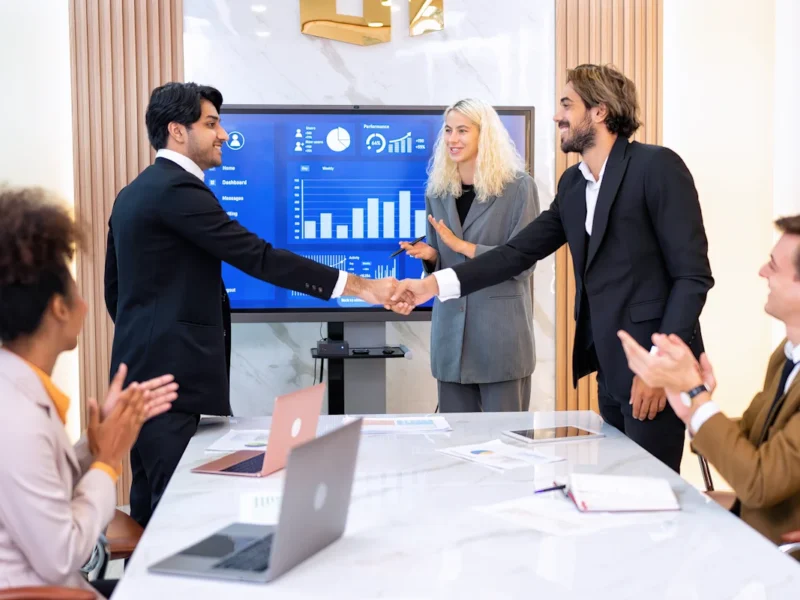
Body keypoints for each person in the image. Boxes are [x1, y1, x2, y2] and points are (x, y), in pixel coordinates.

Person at [388, 64, 714, 472]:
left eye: (566, 105)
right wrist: (432, 286)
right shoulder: (573, 185)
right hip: (610, 370)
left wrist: (659, 366)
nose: (557, 116)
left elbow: (692, 276)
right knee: (618, 491)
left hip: (656, 370)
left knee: (651, 491)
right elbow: (515, 253)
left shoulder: (656, 166)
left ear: (599, 111)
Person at [104, 82, 397, 528]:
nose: (223, 134)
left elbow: (115, 290)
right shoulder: (177, 189)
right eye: (211, 124)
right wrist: (360, 286)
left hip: (145, 379)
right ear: (176, 132)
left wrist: (149, 338)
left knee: (151, 509)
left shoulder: (135, 191)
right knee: (177, 520)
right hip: (171, 384)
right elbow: (256, 256)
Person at [0, 186, 177, 598]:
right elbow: (62, 556)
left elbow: (41, 480)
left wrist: (92, 447)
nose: (85, 303)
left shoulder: (19, 393)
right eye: (76, 291)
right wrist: (109, 462)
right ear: (59, 308)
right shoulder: (17, 420)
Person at [617, 215, 800, 548]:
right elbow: (753, 436)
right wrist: (692, 409)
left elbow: (759, 481)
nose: (762, 272)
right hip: (763, 518)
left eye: (773, 266)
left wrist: (696, 394)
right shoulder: (786, 355)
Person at [399, 98, 539, 412]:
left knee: (507, 449)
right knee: (453, 447)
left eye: (463, 130)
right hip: (451, 338)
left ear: (484, 135)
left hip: (499, 337)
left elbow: (523, 264)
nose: (452, 139)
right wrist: (431, 256)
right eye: (448, 130)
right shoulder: (437, 190)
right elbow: (444, 264)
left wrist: (464, 247)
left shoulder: (518, 188)